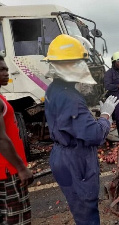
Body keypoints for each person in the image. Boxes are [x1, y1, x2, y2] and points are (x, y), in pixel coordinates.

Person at [44, 34, 119, 225]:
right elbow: (95, 135)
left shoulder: (53, 89)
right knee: (86, 209)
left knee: (77, 204)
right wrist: (105, 116)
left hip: (60, 154)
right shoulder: (71, 98)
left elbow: (70, 121)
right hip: (75, 159)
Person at [0, 55, 33, 224]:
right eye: (1, 70)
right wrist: (21, 168)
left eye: (6, 69)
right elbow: (1, 139)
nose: (6, 73)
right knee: (17, 218)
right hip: (8, 171)